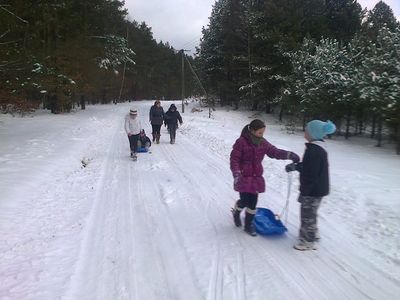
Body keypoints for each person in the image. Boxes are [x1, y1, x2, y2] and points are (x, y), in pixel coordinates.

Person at [230, 119, 300, 236]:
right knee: (244, 201)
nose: (262, 135)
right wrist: (236, 173)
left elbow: (274, 152)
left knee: (253, 203)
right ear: (252, 131)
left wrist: (289, 155)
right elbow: (234, 159)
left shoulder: (263, 143)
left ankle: (248, 225)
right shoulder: (241, 142)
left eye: (263, 133)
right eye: (260, 133)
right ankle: (236, 211)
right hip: (243, 177)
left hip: (256, 177)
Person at [285, 119, 336, 250]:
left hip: (313, 189)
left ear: (313, 133)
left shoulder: (314, 150)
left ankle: (308, 241)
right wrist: (296, 166)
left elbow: (310, 173)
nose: (305, 132)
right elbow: (309, 167)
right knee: (311, 212)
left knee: (307, 214)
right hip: (318, 188)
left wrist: (304, 191)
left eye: (307, 130)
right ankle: (313, 233)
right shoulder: (318, 147)